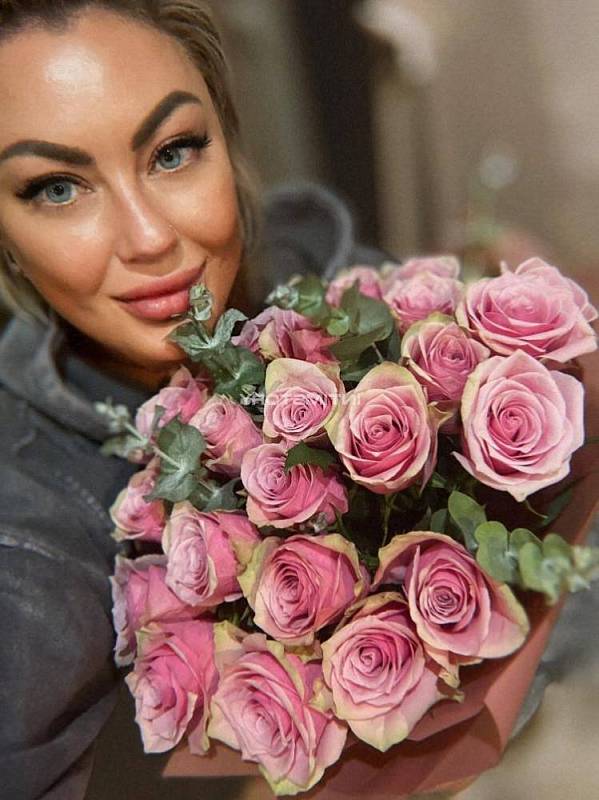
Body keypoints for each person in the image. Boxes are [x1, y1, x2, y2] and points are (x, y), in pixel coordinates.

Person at [0, 3, 385, 798]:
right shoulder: (30, 538)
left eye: (173, 152)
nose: (148, 237)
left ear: (229, 139)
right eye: (57, 188)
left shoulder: (345, 285)